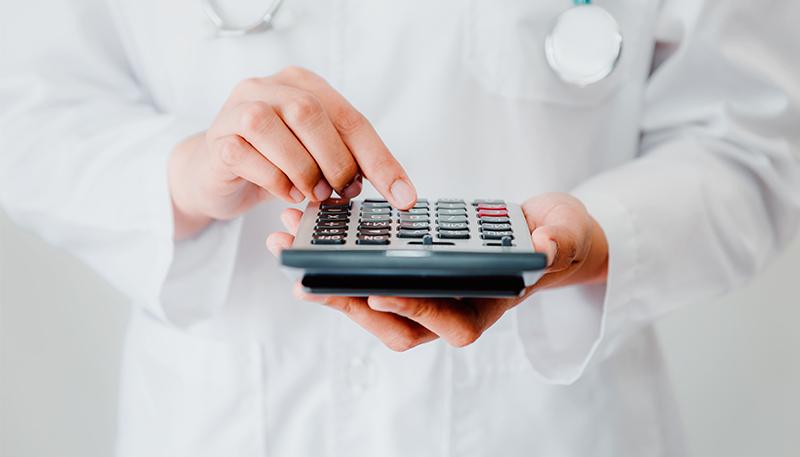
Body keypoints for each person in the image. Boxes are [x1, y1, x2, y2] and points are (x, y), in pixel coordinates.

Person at [1, 0, 798, 456]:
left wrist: (599, 235)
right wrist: (185, 171)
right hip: (229, 422)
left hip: (549, 426)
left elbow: (748, 140)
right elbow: (28, 109)